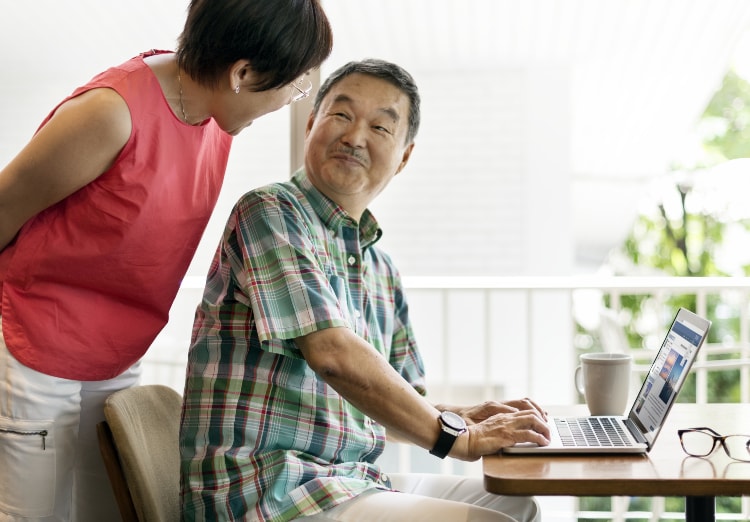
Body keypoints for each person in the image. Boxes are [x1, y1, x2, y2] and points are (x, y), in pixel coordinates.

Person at [0, 1, 332, 520]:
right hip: (37, 347)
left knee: (109, 511)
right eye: (292, 88)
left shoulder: (216, 117)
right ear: (242, 73)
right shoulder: (110, 114)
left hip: (116, 352)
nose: (289, 101)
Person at [179, 58, 551, 522]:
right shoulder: (271, 211)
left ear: (405, 156)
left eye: (380, 126)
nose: (354, 137)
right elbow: (332, 353)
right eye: (341, 115)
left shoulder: (380, 267)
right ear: (311, 123)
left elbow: (390, 404)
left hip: (346, 482)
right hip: (265, 494)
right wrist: (461, 439)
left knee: (518, 505)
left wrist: (464, 416)